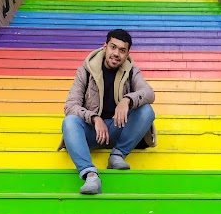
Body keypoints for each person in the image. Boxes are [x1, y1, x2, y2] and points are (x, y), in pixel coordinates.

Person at [59, 29, 156, 195]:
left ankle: (117, 155)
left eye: (122, 50)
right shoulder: (86, 70)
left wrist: (127, 100)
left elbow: (149, 93)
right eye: (113, 47)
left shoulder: (132, 71)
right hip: (92, 132)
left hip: (119, 129)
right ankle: (91, 175)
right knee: (69, 122)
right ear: (105, 47)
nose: (116, 53)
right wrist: (95, 118)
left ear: (127, 54)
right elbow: (70, 105)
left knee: (147, 111)